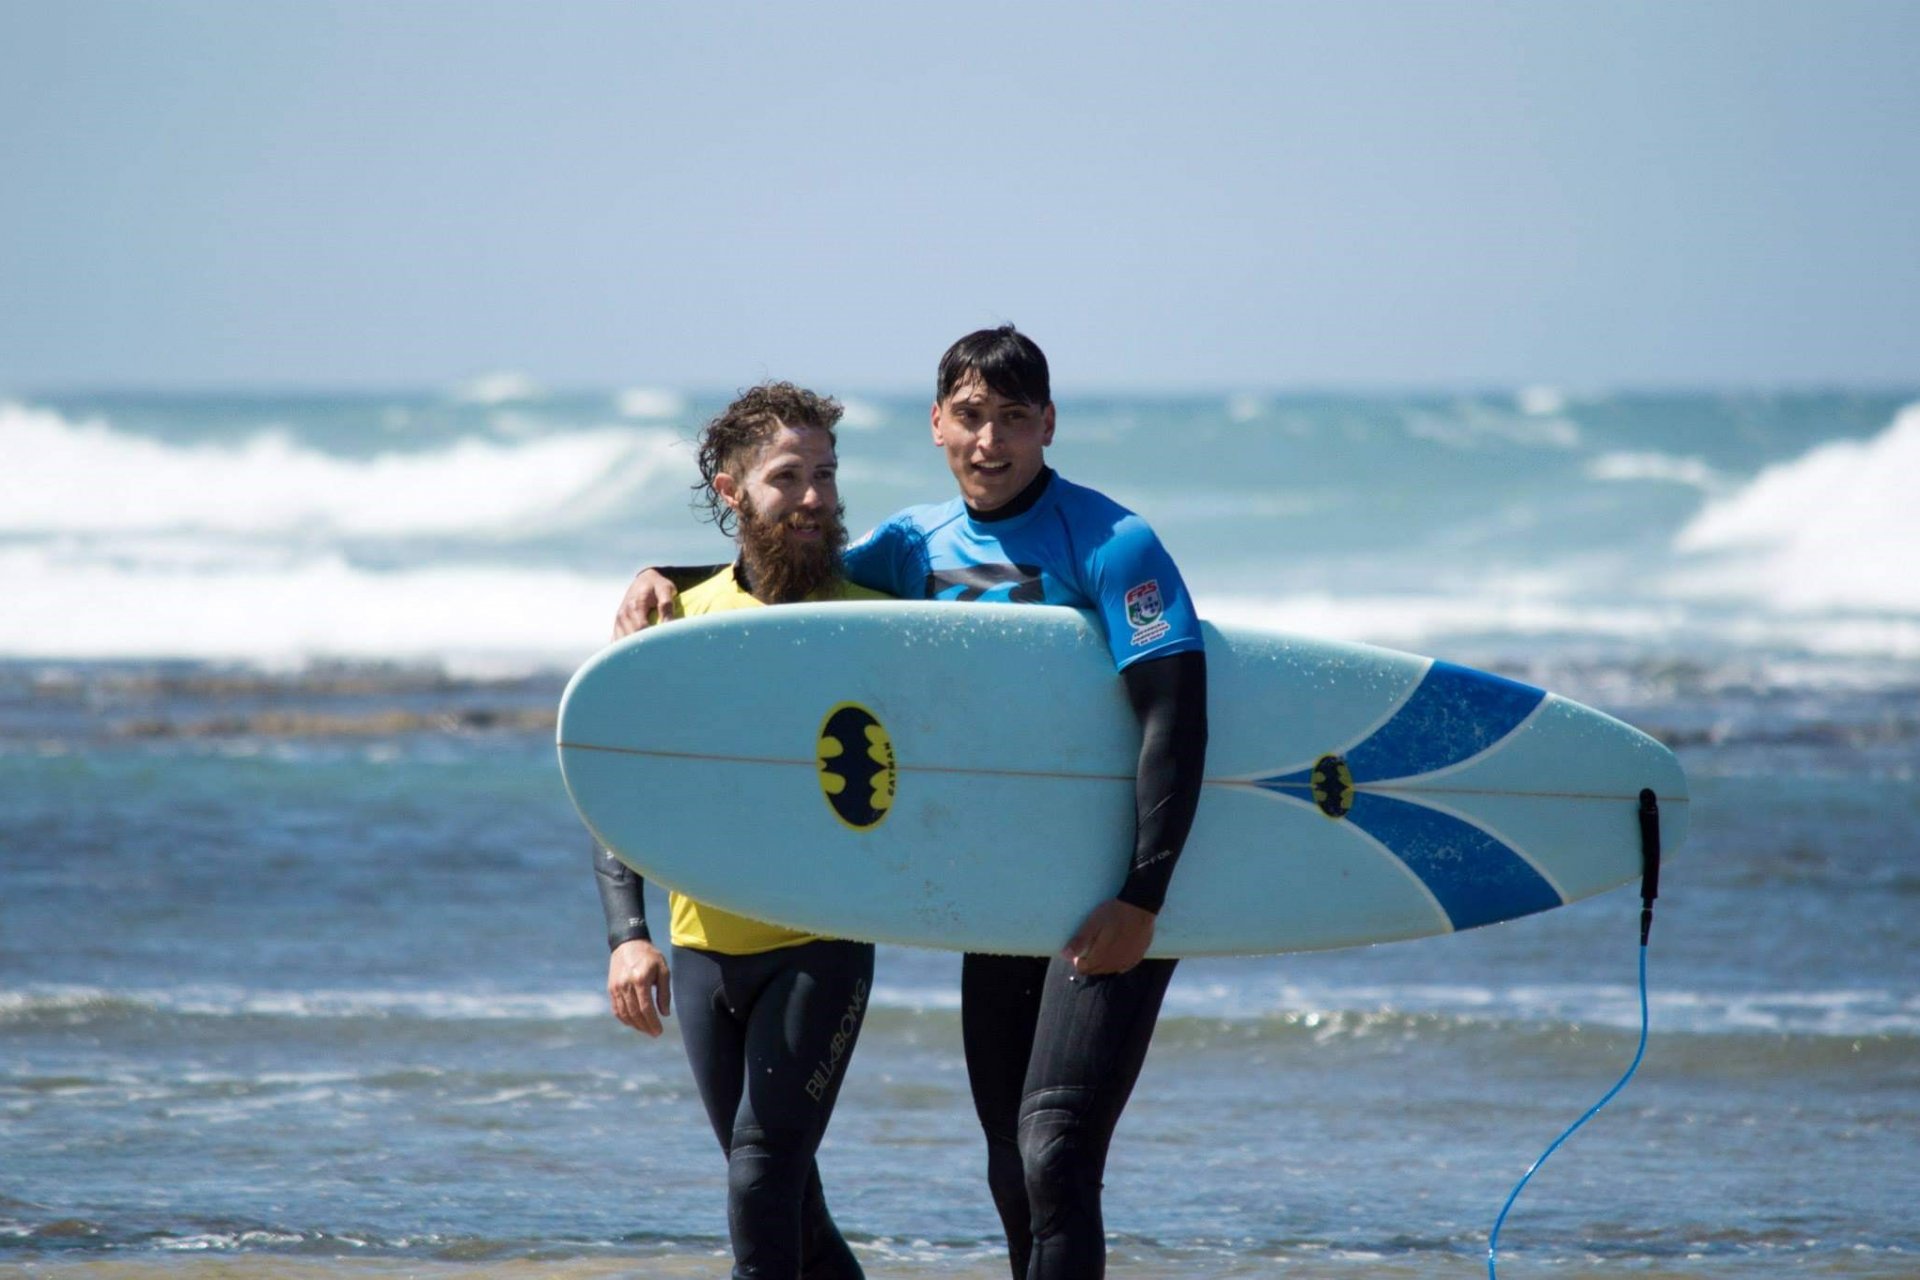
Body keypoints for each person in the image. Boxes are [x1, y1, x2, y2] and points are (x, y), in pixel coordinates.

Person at [616, 327, 1209, 1280]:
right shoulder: (914, 548)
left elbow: (1174, 722)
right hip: (1001, 902)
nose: (991, 441)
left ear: (1048, 425)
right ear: (937, 423)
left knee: (1055, 1148)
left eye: (1015, 419)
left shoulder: (1114, 543)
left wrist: (1144, 894)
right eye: (971, 417)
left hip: (1113, 888)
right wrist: (662, 576)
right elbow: (785, 576)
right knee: (1012, 1165)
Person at [595, 381, 882, 1280]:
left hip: (821, 944)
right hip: (702, 950)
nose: (813, 498)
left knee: (761, 1178)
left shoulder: (877, 620)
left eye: (826, 476)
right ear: (731, 492)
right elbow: (619, 783)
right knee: (789, 1203)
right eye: (787, 477)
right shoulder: (677, 622)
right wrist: (627, 935)